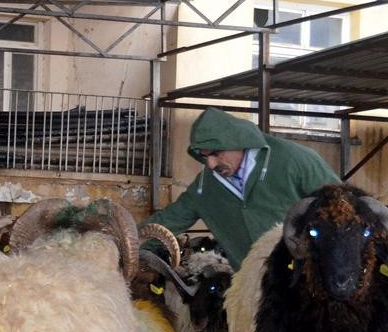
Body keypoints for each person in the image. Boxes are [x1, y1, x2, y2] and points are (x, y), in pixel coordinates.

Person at [144, 107, 340, 270]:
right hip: (252, 285)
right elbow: (167, 221)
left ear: (237, 142)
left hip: (308, 277)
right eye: (205, 156)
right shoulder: (204, 188)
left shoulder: (293, 160)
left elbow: (342, 205)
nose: (210, 164)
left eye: (216, 154)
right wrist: (127, 243)